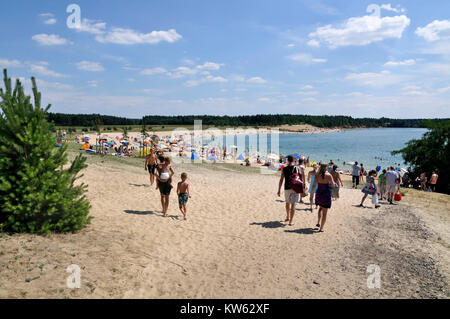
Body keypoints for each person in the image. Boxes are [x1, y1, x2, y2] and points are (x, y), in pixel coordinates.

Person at [311, 164, 335, 232]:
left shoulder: (317, 175)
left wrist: (312, 193)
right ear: (326, 168)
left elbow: (314, 185)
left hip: (319, 194)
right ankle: (321, 228)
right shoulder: (329, 175)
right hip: (326, 194)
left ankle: (318, 222)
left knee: (320, 208)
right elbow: (333, 185)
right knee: (325, 213)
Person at [277, 155, 299, 226]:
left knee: (287, 202)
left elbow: (281, 180)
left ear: (287, 160)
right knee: (293, 204)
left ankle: (288, 216)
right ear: (293, 160)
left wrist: (279, 190)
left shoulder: (284, 169)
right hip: (295, 188)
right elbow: (300, 178)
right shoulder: (297, 168)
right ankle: (291, 221)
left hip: (287, 187)